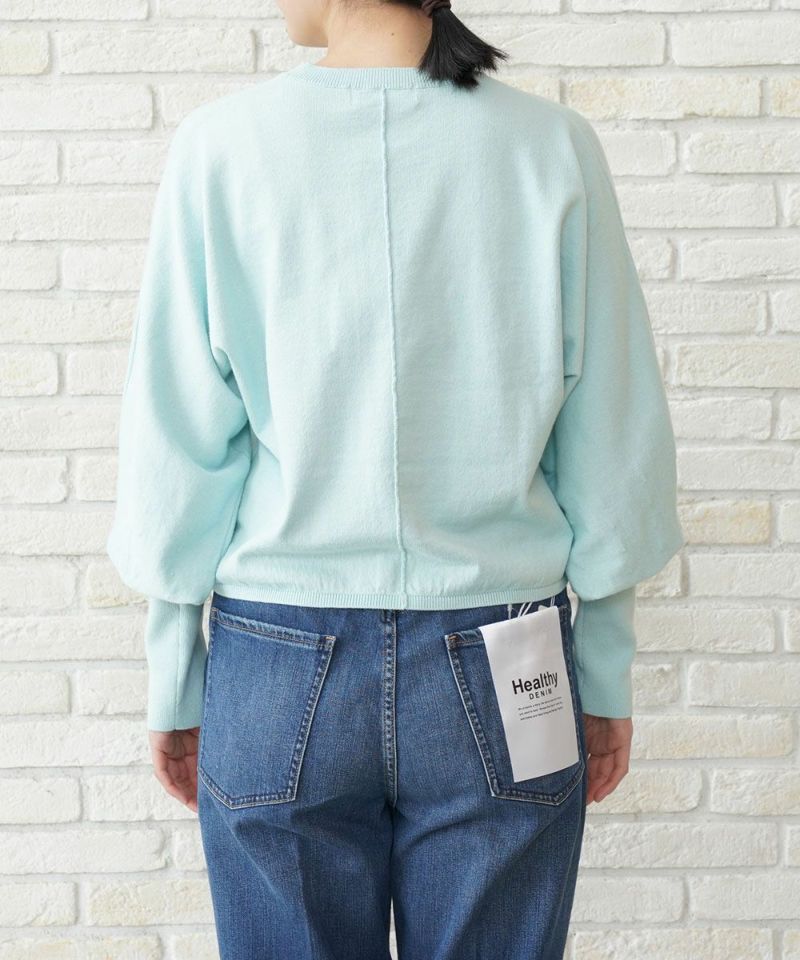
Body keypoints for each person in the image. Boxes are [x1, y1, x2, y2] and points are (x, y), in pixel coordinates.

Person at [106, 0, 685, 956]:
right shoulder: (551, 146)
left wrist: (174, 676)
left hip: (276, 656)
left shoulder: (223, 148)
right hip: (509, 652)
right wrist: (605, 660)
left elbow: (177, 439)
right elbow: (612, 432)